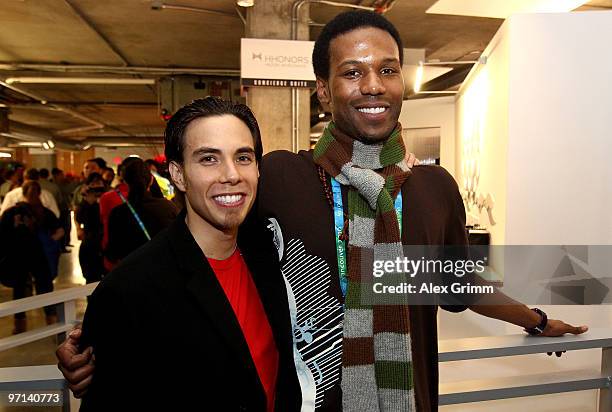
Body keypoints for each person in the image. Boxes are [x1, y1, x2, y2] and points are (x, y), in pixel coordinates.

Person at [57, 11, 587, 411]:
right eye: (352, 72)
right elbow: (192, 261)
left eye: (387, 70)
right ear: (323, 90)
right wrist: (100, 343)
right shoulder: (281, 178)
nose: (373, 85)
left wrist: (538, 318)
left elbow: (459, 282)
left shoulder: (433, 188)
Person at [62, 98, 300, 411]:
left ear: (257, 167)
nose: (231, 175)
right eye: (208, 159)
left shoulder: (267, 253)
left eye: (243, 157)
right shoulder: (128, 291)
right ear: (177, 173)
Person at [0, 181, 63, 333]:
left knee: (20, 290)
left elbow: (2, 234)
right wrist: (49, 242)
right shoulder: (43, 212)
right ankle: (51, 323)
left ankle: (20, 326)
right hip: (39, 256)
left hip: (19, 256)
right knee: (45, 288)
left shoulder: (12, 212)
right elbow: (60, 230)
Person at [104, 157, 178, 264]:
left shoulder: (118, 213)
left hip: (131, 273)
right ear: (152, 180)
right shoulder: (168, 207)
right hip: (162, 270)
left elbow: (113, 252)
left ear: (125, 181)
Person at [75, 173, 107, 284]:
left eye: (98, 182)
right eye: (93, 183)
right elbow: (80, 218)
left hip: (105, 244)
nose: (96, 186)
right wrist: (87, 202)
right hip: (90, 244)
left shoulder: (108, 198)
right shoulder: (85, 202)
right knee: (91, 279)